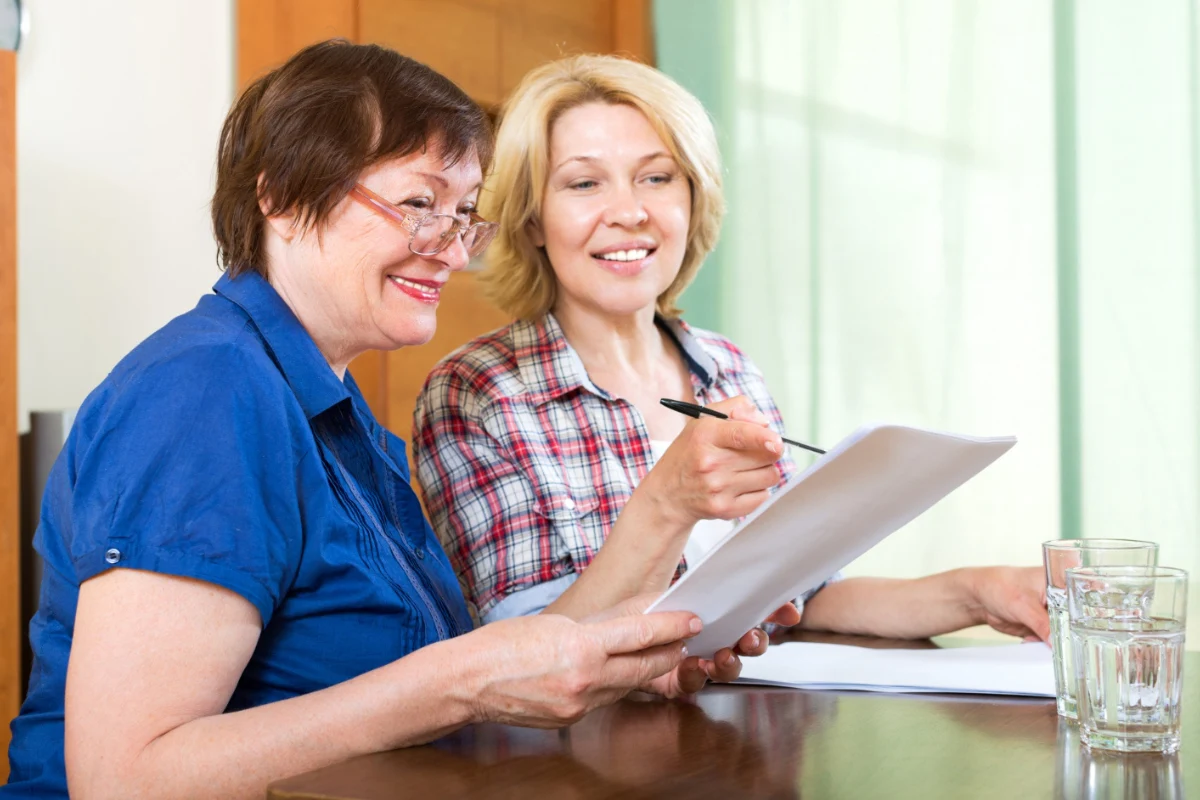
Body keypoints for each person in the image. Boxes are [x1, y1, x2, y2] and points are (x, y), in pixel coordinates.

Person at [2, 42, 769, 800]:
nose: (451, 251)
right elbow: (126, 780)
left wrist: (626, 654)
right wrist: (459, 683)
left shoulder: (336, 416)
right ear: (280, 195)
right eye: (417, 204)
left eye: (463, 215)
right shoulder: (203, 392)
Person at [412, 54, 1050, 643]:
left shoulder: (728, 369)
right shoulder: (477, 393)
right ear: (531, 219)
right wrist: (667, 503)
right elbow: (527, 650)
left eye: (657, 177)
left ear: (692, 199)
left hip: (753, 749)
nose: (629, 211)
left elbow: (801, 598)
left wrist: (976, 592)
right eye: (584, 185)